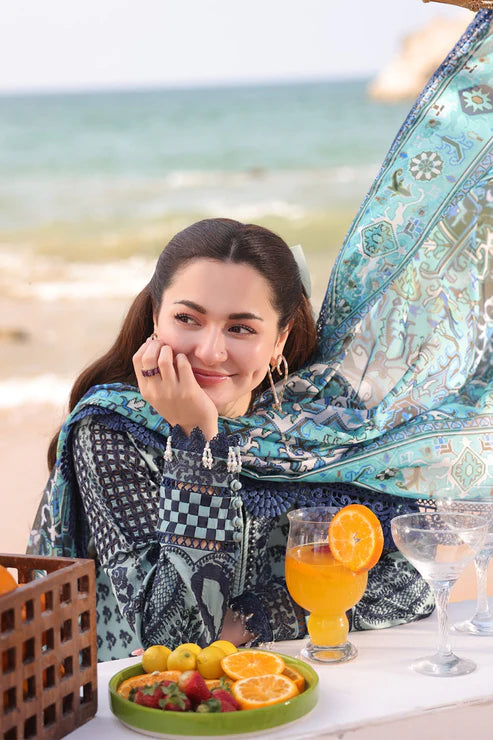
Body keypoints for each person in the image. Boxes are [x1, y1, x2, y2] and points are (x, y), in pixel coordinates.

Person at [28, 9, 493, 661]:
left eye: (241, 327)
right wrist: (197, 444)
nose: (210, 350)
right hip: (154, 704)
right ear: (155, 317)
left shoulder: (322, 428)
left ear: (279, 341)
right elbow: (175, 638)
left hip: (307, 688)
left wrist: (258, 614)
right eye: (187, 318)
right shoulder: (113, 433)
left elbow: (412, 579)